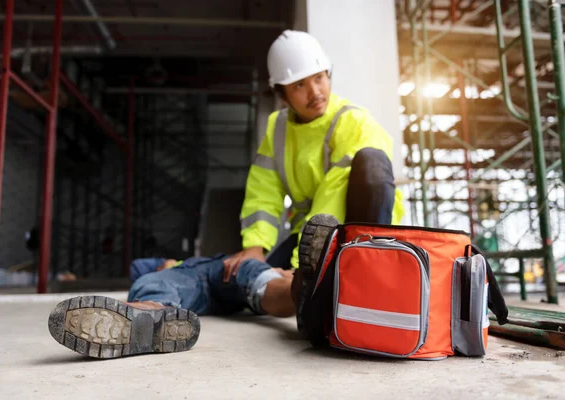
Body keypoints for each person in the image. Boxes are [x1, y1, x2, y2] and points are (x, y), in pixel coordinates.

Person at [221, 30, 405, 334]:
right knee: (250, 279)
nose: (315, 91)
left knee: (371, 161)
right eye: (300, 85)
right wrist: (255, 246)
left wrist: (303, 267)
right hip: (310, 229)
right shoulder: (277, 128)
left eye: (320, 78)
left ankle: (368, 276)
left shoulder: (352, 121)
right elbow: (263, 190)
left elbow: (334, 195)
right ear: (282, 94)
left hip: (360, 227)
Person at [48, 254, 295, 359]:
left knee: (253, 273)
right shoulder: (169, 268)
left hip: (224, 271)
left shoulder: (224, 259)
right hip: (193, 283)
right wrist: (166, 264)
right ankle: (150, 312)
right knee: (158, 282)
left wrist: (281, 272)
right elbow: (140, 267)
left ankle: (301, 292)